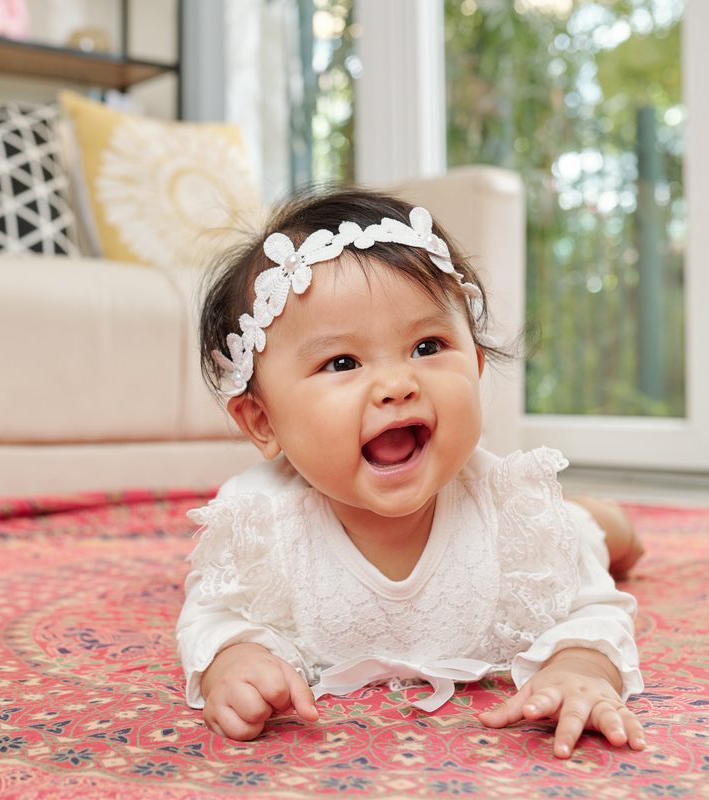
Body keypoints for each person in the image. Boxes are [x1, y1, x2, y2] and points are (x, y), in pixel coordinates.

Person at [176, 187, 646, 758]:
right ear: (262, 420)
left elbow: (591, 607)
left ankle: (598, 518)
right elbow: (214, 613)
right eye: (342, 362)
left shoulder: (514, 515)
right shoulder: (260, 522)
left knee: (597, 539)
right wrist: (234, 655)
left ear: (474, 364)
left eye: (428, 345)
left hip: (539, 536)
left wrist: (581, 665)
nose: (398, 384)